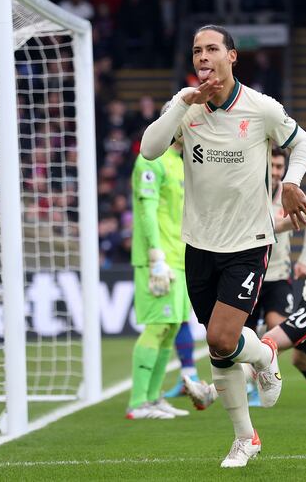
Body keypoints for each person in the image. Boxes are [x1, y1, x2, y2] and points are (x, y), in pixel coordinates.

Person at [140, 24, 306, 467]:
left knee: (222, 336)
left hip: (248, 241)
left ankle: (264, 354)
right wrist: (182, 102)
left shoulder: (260, 109)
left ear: (231, 56)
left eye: (212, 48)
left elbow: (302, 143)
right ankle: (246, 436)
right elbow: (149, 149)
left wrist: (292, 182)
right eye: (197, 50)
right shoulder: (185, 107)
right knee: (219, 348)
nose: (203, 56)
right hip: (199, 243)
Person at [184, 140, 306, 426]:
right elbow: (282, 223)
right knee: (302, 360)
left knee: (269, 342)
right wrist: (245, 229)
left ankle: (210, 393)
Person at [126, 137, 190, 420]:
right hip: (159, 258)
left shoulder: (181, 162)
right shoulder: (150, 159)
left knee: (172, 327)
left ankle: (152, 398)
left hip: (180, 257)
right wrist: (155, 254)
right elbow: (147, 208)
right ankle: (137, 402)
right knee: (158, 325)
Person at [243, 147, 296, 406]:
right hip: (251, 272)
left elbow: (305, 220)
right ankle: (252, 384)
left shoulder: (290, 194)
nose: (276, 172)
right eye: (272, 166)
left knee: (276, 330)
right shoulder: (252, 190)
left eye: (279, 167)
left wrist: (305, 260)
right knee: (246, 335)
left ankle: (263, 376)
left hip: (278, 274)